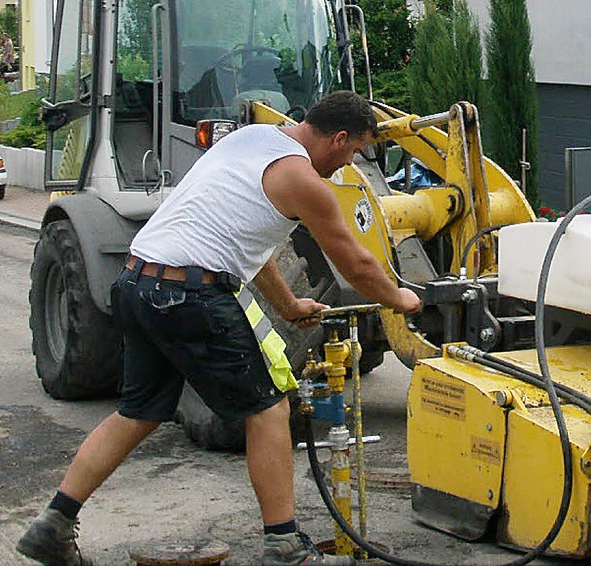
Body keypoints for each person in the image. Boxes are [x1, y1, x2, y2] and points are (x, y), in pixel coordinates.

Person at [17, 90, 421, 566]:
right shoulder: (303, 180)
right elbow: (354, 262)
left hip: (138, 279)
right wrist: (400, 298)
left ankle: (53, 524)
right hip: (188, 292)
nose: (350, 160)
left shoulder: (253, 139)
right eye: (354, 151)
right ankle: (285, 546)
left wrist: (288, 304)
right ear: (337, 139)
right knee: (269, 410)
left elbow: (249, 239)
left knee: (139, 412)